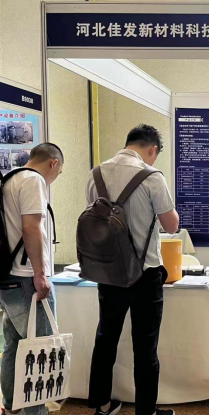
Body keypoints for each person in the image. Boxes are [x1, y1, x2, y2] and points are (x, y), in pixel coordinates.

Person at [86, 124, 179, 415]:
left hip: (107, 272)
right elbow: (171, 225)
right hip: (145, 273)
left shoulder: (96, 174)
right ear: (152, 149)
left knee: (105, 338)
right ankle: (145, 411)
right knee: (145, 346)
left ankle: (102, 405)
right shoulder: (152, 177)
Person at [0, 143, 64, 415]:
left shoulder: (9, 179)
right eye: (59, 171)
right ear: (53, 163)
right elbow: (31, 227)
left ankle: (11, 406)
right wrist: (40, 274)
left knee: (14, 345)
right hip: (27, 278)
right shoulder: (33, 180)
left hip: (8, 277)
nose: (56, 176)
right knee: (39, 351)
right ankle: (34, 412)